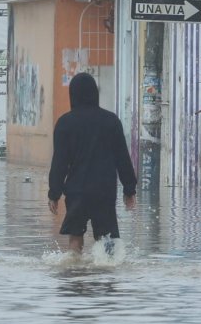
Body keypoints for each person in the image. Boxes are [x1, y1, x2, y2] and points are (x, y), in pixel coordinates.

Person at [48, 72, 137, 254]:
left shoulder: (65, 124)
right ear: (95, 93)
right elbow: (122, 158)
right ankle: (105, 277)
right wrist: (129, 188)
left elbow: (59, 162)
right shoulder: (111, 121)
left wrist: (54, 193)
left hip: (76, 191)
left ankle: (74, 274)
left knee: (75, 237)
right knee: (107, 241)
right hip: (104, 191)